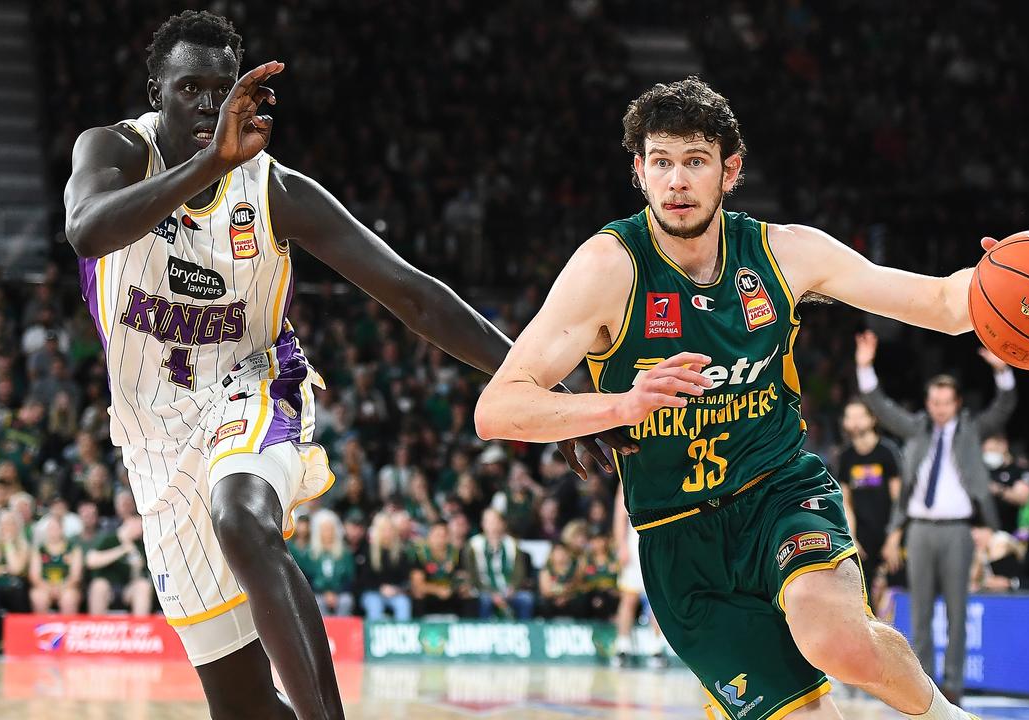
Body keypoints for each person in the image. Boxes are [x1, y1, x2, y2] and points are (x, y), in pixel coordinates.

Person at [61, 11, 620, 718]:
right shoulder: (111, 151)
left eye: (221, 89)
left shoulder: (275, 192)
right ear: (155, 91)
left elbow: (415, 296)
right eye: (189, 88)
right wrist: (208, 163)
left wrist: (542, 388)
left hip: (253, 385)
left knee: (240, 516)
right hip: (152, 438)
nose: (208, 105)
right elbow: (86, 230)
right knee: (243, 708)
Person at [474, 76, 1011, 718]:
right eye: (662, 162)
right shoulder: (608, 268)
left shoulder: (785, 252)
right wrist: (621, 405)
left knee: (835, 637)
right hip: (678, 538)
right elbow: (497, 408)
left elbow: (944, 304)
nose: (677, 181)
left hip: (779, 491)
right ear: (639, 172)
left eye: (695, 162)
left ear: (730, 172)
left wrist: (1009, 273)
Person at [858, 330, 1014, 702]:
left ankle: (955, 689)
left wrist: (1002, 372)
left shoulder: (971, 431)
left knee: (957, 614)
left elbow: (1004, 407)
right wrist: (865, 367)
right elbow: (882, 407)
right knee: (921, 613)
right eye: (934, 401)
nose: (939, 408)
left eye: (945, 402)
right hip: (920, 530)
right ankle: (926, 692)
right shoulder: (917, 429)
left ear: (957, 403)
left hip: (959, 531)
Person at [835, 399, 901, 595]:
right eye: (850, 417)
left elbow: (899, 501)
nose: (855, 422)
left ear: (872, 419)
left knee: (893, 594)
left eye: (860, 416)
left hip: (889, 532)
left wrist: (894, 539)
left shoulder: (887, 451)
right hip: (862, 536)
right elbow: (846, 501)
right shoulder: (846, 457)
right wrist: (851, 537)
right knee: (863, 594)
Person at [610, 484, 667, 669]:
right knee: (629, 598)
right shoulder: (626, 476)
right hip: (634, 544)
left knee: (657, 598)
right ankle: (622, 646)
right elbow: (619, 515)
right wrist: (621, 546)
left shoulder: (660, 472)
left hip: (656, 542)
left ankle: (656, 648)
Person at [462, 509, 533, 620]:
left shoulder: (512, 544)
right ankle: (483, 630)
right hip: (483, 590)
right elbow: (472, 575)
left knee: (527, 599)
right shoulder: (473, 545)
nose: (492, 525)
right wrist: (491, 593)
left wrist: (513, 587)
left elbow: (519, 571)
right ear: (482, 524)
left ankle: (527, 632)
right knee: (485, 600)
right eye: (488, 521)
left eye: (495, 521)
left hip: (509, 590)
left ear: (503, 524)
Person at [85, 514, 153, 616]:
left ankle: (140, 626)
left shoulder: (139, 545)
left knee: (143, 586)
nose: (141, 530)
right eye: (139, 525)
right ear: (129, 522)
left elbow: (139, 576)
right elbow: (91, 560)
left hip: (128, 588)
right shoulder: (109, 538)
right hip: (107, 585)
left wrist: (136, 565)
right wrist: (122, 550)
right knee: (99, 586)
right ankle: (97, 625)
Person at [358, 512, 413, 622]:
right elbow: (363, 579)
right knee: (374, 605)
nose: (387, 533)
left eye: (390, 529)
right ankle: (374, 636)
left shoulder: (401, 552)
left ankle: (402, 635)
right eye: (384, 529)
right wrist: (380, 588)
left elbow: (405, 579)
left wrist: (396, 589)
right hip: (372, 592)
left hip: (395, 592)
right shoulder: (367, 550)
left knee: (403, 604)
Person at [28, 514, 83, 614]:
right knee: (38, 597)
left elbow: (75, 576)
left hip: (67, 587)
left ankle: (66, 628)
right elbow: (34, 576)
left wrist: (60, 588)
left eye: (56, 528)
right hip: (44, 587)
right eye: (51, 528)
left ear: (62, 529)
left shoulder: (73, 549)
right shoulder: (39, 550)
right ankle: (42, 628)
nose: (53, 531)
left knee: (69, 599)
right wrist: (49, 589)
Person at [409, 522, 464, 616]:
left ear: (448, 538)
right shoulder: (419, 553)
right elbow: (417, 584)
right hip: (429, 592)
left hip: (450, 591)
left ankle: (466, 625)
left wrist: (453, 588)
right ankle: (419, 625)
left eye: (444, 535)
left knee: (466, 593)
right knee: (418, 593)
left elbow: (461, 577)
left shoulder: (455, 553)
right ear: (429, 536)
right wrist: (437, 590)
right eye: (437, 535)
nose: (440, 539)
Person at [306, 510, 355, 616]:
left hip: (340, 593)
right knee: (317, 602)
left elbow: (350, 578)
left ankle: (341, 630)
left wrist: (336, 594)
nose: (328, 533)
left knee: (346, 601)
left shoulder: (344, 552)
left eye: (330, 529)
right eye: (324, 530)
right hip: (318, 593)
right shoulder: (311, 553)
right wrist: (325, 593)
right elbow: (308, 577)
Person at [982, 435, 1029, 533]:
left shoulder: (1018, 470)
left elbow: (1023, 498)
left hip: (1010, 529)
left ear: (1003, 445)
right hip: (986, 530)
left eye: (992, 450)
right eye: (986, 451)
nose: (989, 455)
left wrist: (998, 490)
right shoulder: (984, 471)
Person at [537, 542, 584, 618]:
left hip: (569, 599)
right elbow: (545, 591)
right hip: (552, 600)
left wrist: (565, 596)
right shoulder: (546, 570)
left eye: (563, 552)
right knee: (544, 603)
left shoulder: (574, 569)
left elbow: (576, 586)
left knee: (580, 601)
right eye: (558, 552)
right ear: (551, 555)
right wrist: (562, 591)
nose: (561, 556)